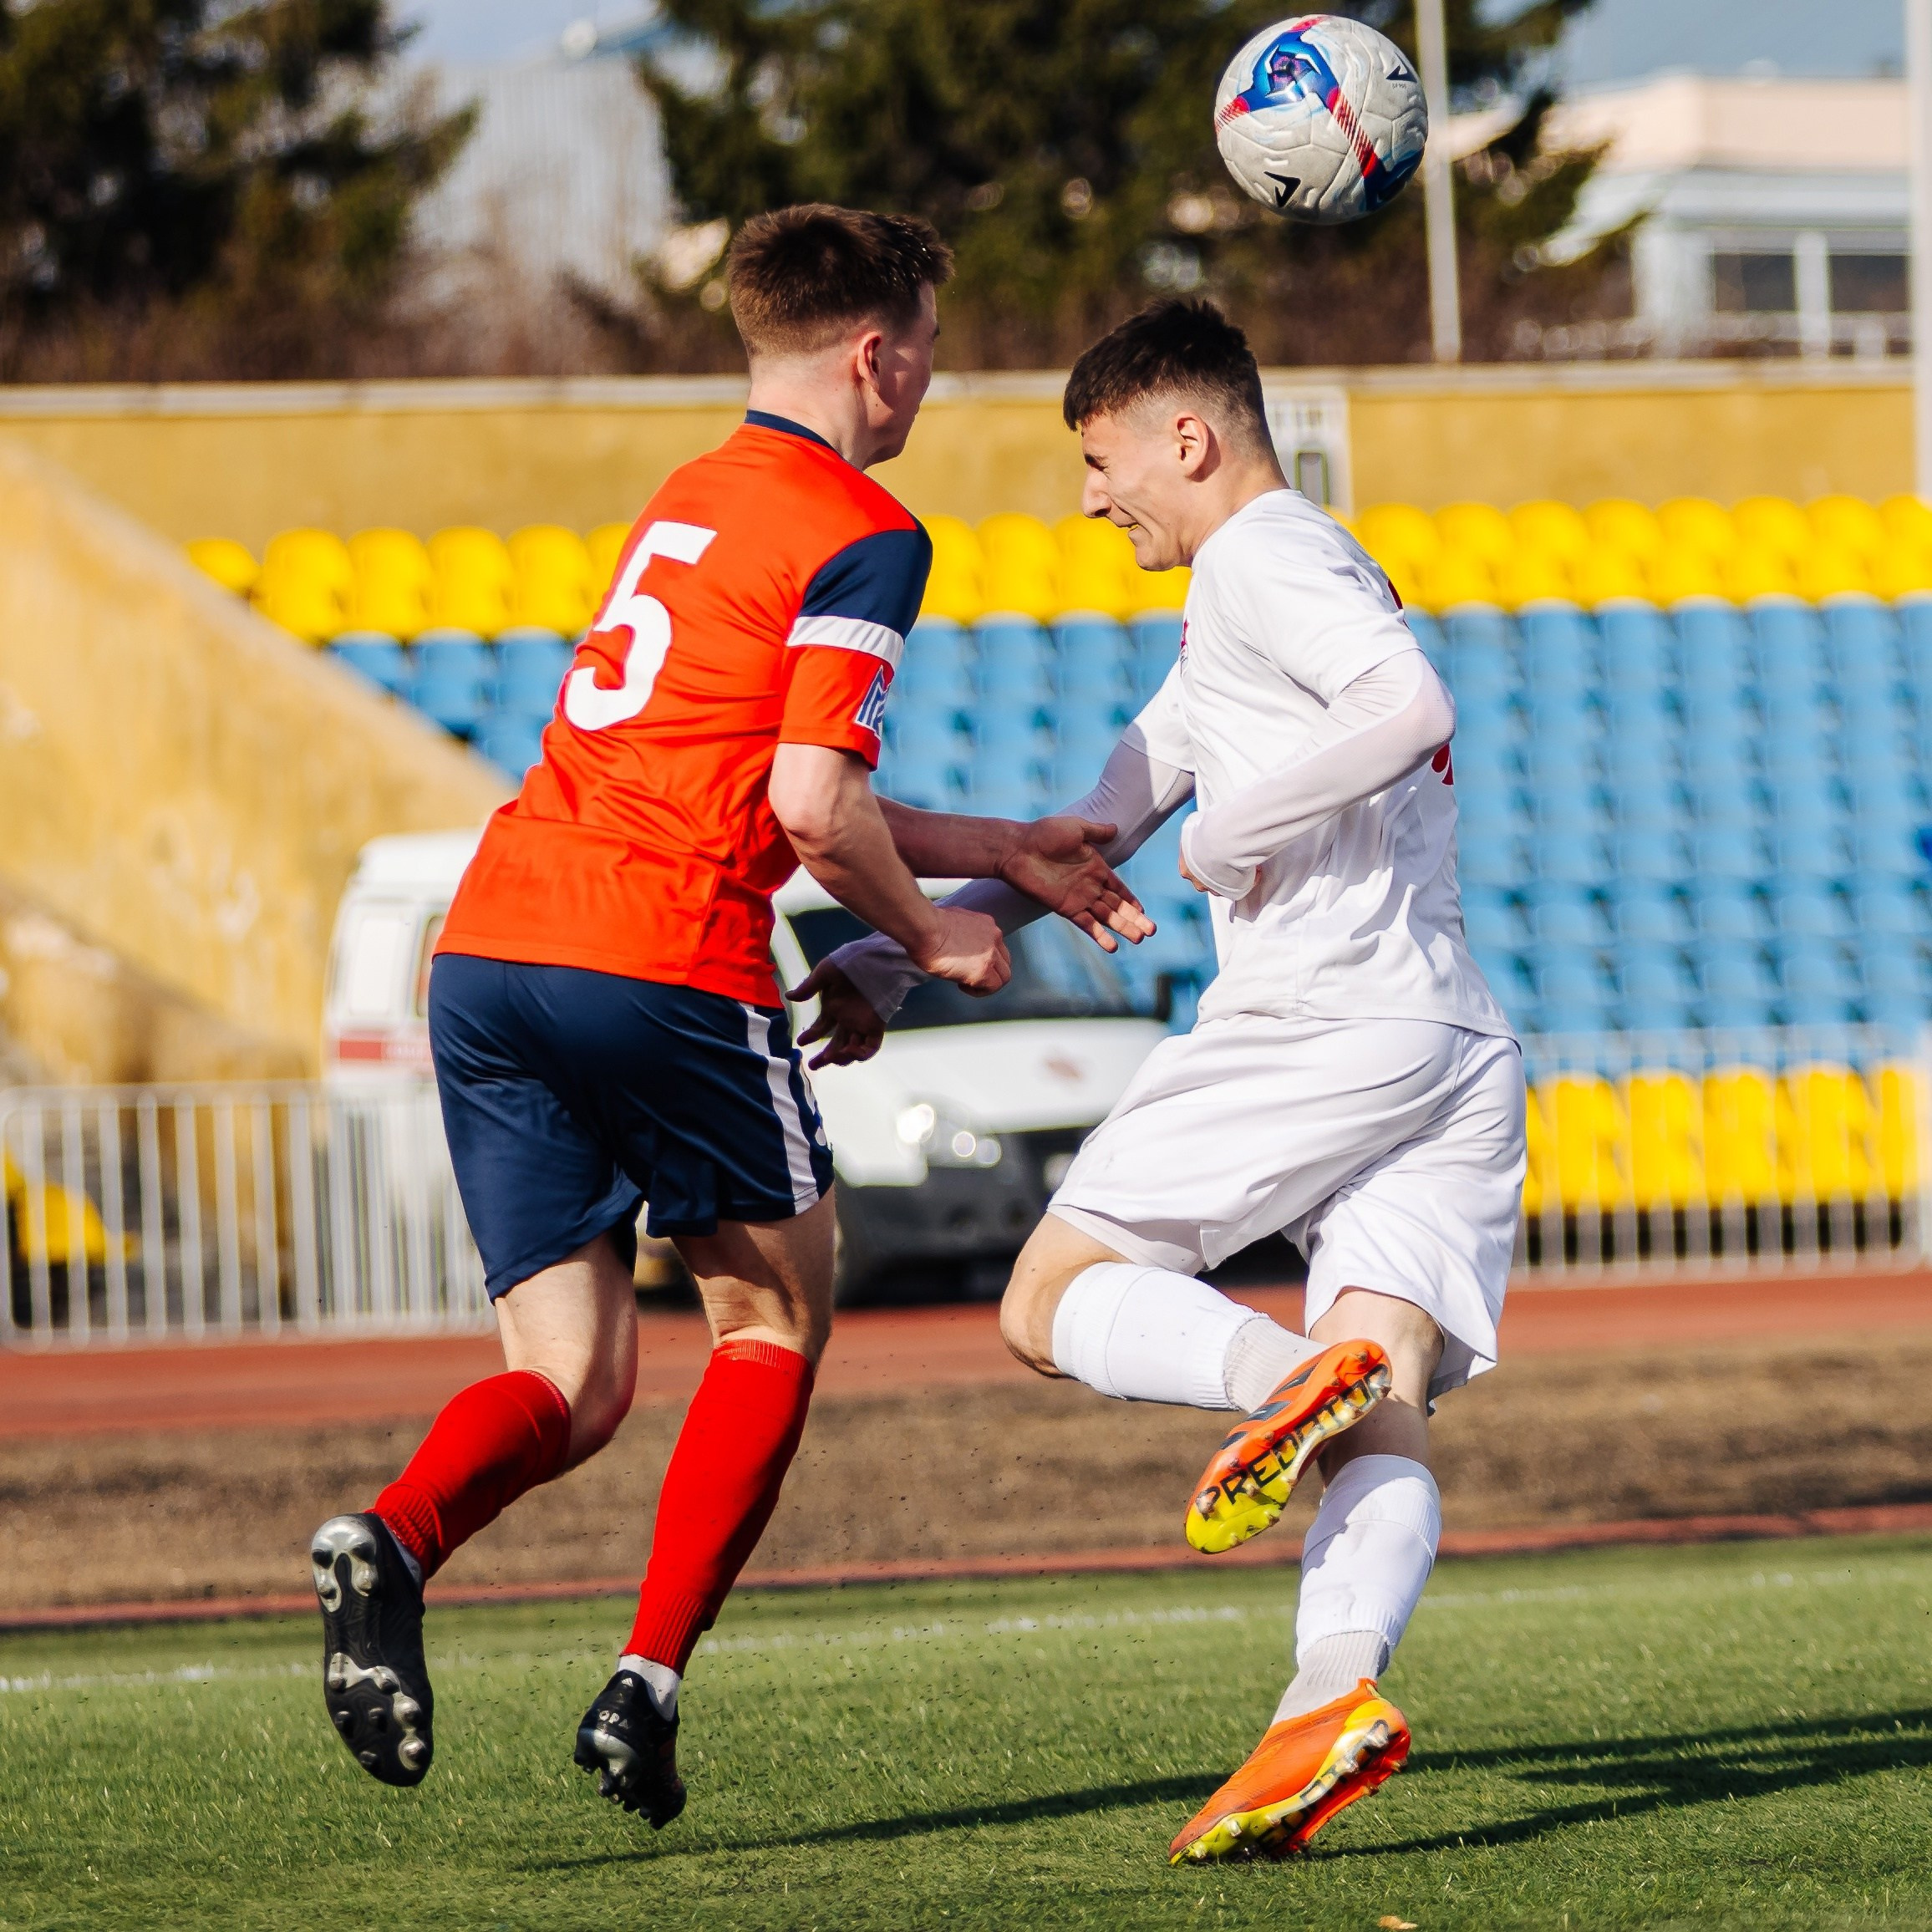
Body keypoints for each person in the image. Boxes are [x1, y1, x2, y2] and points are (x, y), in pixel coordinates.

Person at [308, 205, 1149, 1824]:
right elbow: (816, 804)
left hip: (493, 949)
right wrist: (934, 942)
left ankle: (393, 1536)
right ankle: (647, 1682)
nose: (928, 384)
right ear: (875, 354)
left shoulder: (690, 497)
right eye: (928, 353)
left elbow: (750, 777)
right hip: (660, 952)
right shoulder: (862, 526)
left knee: (571, 1377)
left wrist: (998, 851)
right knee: (768, 1323)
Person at [799, 297, 1527, 1863]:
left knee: (1047, 1297)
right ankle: (1326, 1703)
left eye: (1099, 457)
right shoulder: (1231, 622)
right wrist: (906, 947)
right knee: (1377, 1403)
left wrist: (1237, 832)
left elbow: (1409, 709)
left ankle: (1276, 1380)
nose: (1087, 495)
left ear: (1184, 437)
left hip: (1325, 1021)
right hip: (1447, 1041)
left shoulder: (1267, 555)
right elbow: (1087, 835)